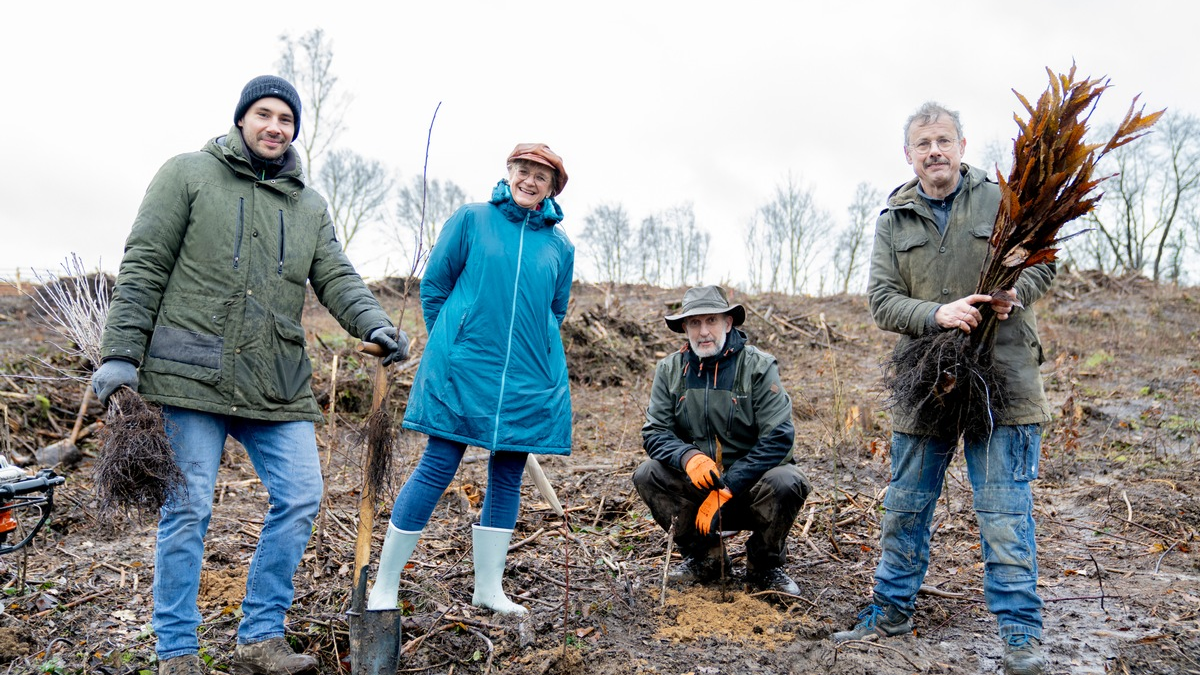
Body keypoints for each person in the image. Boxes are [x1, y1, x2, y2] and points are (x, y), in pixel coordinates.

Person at [92, 75, 408, 675]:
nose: (275, 127)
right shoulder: (187, 174)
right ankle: (177, 652)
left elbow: (336, 276)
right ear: (241, 119)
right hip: (191, 371)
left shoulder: (308, 203)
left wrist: (373, 323)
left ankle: (260, 637)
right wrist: (121, 352)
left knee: (301, 496)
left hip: (275, 377)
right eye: (264, 114)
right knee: (188, 509)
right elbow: (145, 262)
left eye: (286, 120)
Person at [832, 102, 1053, 675]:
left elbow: (1043, 261)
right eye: (923, 143)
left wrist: (1016, 291)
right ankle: (891, 609)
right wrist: (937, 313)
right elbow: (882, 300)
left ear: (961, 145)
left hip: (1003, 377)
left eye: (944, 141)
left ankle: (1020, 634)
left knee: (1005, 510)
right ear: (909, 154)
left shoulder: (1004, 199)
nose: (935, 151)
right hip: (927, 376)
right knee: (905, 504)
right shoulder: (893, 219)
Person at [366, 143, 574, 616]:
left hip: (525, 379)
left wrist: (531, 352)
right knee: (437, 467)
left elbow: (553, 311)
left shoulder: (560, 246)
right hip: (464, 368)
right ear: (509, 172)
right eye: (523, 170)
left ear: (552, 188)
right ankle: (385, 584)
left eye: (541, 176)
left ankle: (489, 590)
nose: (529, 180)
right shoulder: (472, 219)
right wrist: (451, 344)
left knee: (507, 478)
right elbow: (435, 285)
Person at [632, 285, 811, 595]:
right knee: (647, 473)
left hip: (750, 490)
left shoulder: (758, 367)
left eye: (712, 320)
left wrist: (729, 485)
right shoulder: (670, 370)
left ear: (728, 323)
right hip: (697, 492)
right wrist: (687, 457)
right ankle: (706, 559)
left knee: (789, 480)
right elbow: (655, 432)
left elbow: (779, 437)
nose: (704, 331)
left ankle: (765, 566)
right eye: (695, 323)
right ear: (684, 328)